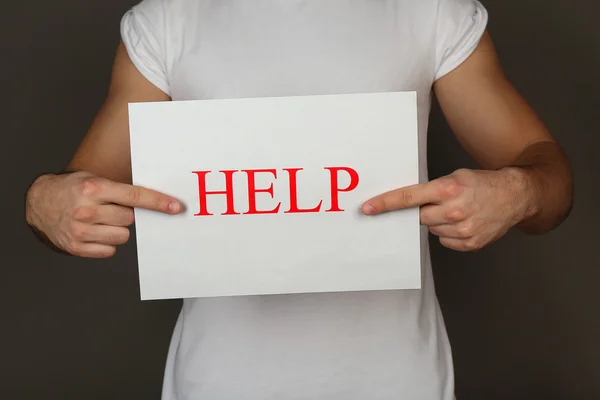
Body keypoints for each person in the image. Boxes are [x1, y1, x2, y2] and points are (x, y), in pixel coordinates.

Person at [25, 0, 573, 398]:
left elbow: (548, 175)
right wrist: (46, 201)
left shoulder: (432, 12)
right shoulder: (167, 21)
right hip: (216, 381)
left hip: (397, 380)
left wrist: (518, 191)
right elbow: (83, 188)